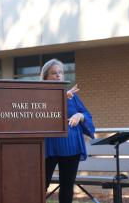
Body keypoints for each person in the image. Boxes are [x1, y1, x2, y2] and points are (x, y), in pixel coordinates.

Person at [41, 59, 95, 203]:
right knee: (41, 185)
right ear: (45, 77)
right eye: (54, 73)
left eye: (60, 73)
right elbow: (42, 112)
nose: (58, 75)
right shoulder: (40, 94)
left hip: (71, 146)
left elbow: (87, 115)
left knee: (67, 186)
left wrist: (80, 115)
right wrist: (63, 98)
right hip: (49, 146)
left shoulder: (73, 97)